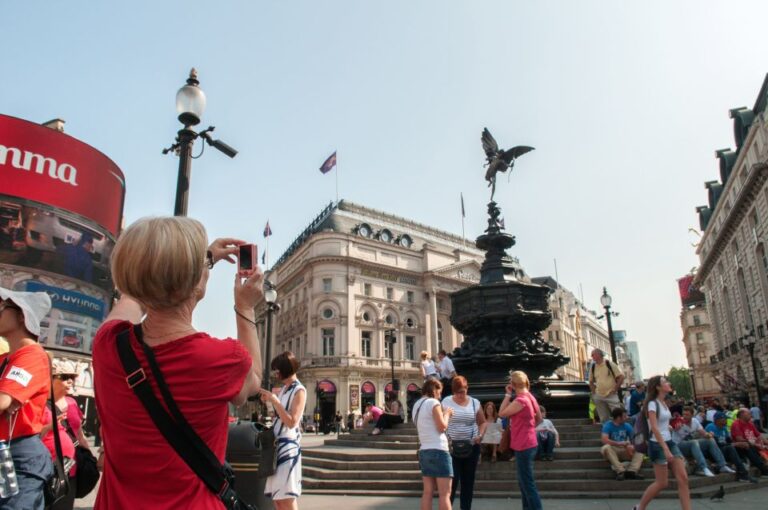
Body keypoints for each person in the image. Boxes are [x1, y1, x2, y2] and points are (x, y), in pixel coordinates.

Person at [92, 217, 264, 509]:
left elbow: (134, 296)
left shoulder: (108, 343)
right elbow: (254, 380)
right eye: (202, 266)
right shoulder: (220, 358)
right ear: (195, 281)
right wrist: (245, 306)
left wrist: (192, 261)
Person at [0, 288, 54, 509]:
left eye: (2, 309)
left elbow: (2, 401)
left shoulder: (32, 355)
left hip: (19, 457)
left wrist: (6, 400)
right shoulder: (6, 358)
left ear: (22, 315)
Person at [259, 352, 306, 509]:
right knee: (278, 498)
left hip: (288, 447)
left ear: (284, 369)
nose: (275, 373)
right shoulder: (285, 389)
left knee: (286, 497)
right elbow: (278, 416)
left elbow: (292, 421)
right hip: (277, 445)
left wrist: (275, 400)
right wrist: (269, 403)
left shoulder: (299, 390)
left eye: (276, 369)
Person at [635, 375, 690, 510]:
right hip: (658, 445)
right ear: (658, 387)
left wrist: (669, 427)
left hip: (669, 441)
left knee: (683, 478)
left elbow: (661, 425)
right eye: (665, 382)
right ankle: (640, 507)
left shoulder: (664, 403)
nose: (668, 383)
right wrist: (665, 449)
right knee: (662, 483)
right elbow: (653, 427)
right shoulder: (652, 403)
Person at [39, 360, 88, 510]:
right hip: (45, 471)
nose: (69, 381)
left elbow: (79, 433)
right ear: (50, 379)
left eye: (72, 378)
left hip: (70, 471)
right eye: (64, 376)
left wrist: (88, 456)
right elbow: (31, 436)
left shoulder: (72, 403)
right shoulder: (39, 403)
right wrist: (49, 427)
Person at [499, 370, 542, 510]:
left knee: (527, 484)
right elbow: (539, 419)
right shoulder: (530, 397)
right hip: (530, 441)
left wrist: (507, 395)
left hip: (523, 444)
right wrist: (528, 427)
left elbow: (501, 413)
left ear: (512, 384)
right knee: (524, 483)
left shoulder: (521, 400)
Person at [442, 376, 485, 510]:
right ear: (453, 391)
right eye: (458, 392)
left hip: (471, 446)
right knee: (452, 482)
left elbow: (482, 422)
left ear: (467, 388)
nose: (461, 394)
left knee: (468, 482)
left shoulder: (474, 402)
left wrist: (480, 435)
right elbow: (442, 422)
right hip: (452, 447)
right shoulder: (446, 402)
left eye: (463, 391)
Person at [413, 378, 453, 510]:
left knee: (427, 492)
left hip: (424, 450)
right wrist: (446, 414)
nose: (440, 395)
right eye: (439, 392)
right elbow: (442, 427)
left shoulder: (416, 405)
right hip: (439, 449)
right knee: (444, 494)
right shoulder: (433, 402)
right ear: (434, 389)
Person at [671, 406, 732, 477]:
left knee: (710, 440)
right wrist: (675, 428)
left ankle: (722, 465)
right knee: (694, 442)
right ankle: (703, 467)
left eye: (687, 415)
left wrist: (709, 434)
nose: (684, 416)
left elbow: (703, 433)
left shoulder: (695, 421)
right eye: (683, 414)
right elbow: (671, 427)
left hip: (691, 444)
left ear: (692, 415)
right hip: (678, 445)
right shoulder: (678, 421)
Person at [705, 411, 757, 483]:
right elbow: (716, 444)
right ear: (718, 420)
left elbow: (728, 441)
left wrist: (739, 443)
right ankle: (743, 474)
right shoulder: (710, 427)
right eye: (724, 419)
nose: (726, 421)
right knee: (730, 448)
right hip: (715, 452)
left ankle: (748, 462)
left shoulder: (724, 428)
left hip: (724, 450)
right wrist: (734, 444)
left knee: (743, 445)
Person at [600, 407, 644, 480]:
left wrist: (632, 445)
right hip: (613, 450)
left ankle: (632, 471)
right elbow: (604, 440)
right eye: (624, 416)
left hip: (624, 449)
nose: (627, 417)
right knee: (606, 447)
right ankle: (620, 471)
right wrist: (619, 443)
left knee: (640, 449)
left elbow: (634, 439)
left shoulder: (627, 425)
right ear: (618, 417)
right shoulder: (607, 425)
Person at [588, 349, 624, 424]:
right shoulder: (593, 366)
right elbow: (590, 381)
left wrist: (615, 389)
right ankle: (606, 433)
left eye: (593, 355)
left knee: (617, 415)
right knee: (603, 418)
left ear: (598, 355)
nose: (591, 357)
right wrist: (594, 393)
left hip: (611, 394)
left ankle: (620, 431)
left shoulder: (609, 364)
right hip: (599, 395)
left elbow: (621, 377)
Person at [730, 408, 768, 476]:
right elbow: (739, 439)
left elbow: (759, 435)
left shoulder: (750, 423)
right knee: (749, 447)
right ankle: (764, 470)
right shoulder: (736, 424)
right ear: (742, 415)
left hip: (755, 445)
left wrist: (765, 442)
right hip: (743, 447)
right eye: (748, 413)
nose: (751, 415)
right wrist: (755, 443)